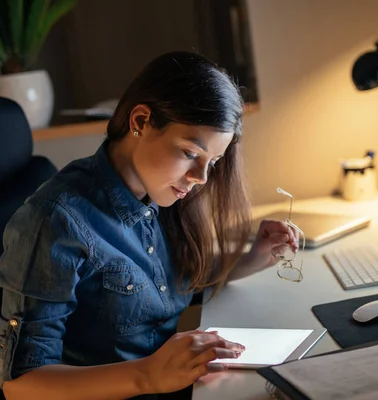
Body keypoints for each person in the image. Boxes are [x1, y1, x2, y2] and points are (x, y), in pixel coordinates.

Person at [0, 51, 299, 400]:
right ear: (140, 121)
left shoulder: (162, 194)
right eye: (190, 153)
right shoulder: (55, 220)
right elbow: (22, 384)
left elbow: (173, 284)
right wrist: (147, 377)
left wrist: (253, 258)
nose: (200, 178)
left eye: (213, 162)